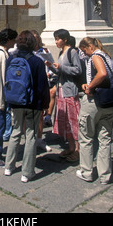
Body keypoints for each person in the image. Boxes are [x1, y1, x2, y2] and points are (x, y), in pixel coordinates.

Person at [4, 31, 50, 182]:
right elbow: (43, 86)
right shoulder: (37, 62)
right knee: (30, 135)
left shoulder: (11, 59)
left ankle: (9, 167)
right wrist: (45, 104)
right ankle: (27, 172)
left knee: (15, 132)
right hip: (32, 103)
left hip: (15, 102)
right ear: (32, 44)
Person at [77, 37, 113, 184]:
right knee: (105, 139)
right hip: (109, 102)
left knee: (86, 137)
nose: (85, 54)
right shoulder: (108, 56)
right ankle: (105, 175)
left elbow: (101, 74)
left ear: (89, 46)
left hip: (95, 102)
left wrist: (90, 87)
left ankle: (87, 172)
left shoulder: (95, 56)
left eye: (84, 51)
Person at [45, 29, 82, 162]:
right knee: (66, 121)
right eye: (55, 39)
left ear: (65, 39)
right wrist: (51, 66)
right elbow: (60, 71)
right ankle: (71, 147)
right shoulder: (61, 53)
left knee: (74, 121)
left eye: (58, 39)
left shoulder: (72, 52)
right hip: (61, 90)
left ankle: (78, 150)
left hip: (70, 91)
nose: (56, 42)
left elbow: (77, 70)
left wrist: (61, 67)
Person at [0, 28, 18, 168]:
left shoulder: (3, 53)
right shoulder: (0, 55)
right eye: (14, 39)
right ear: (10, 40)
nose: (16, 42)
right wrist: (0, 101)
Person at [31, 30, 53, 151]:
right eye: (33, 38)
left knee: (39, 114)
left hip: (43, 84)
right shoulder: (27, 52)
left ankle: (39, 139)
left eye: (37, 38)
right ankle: (30, 139)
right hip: (31, 86)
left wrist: (49, 72)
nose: (35, 40)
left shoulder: (45, 51)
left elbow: (51, 65)